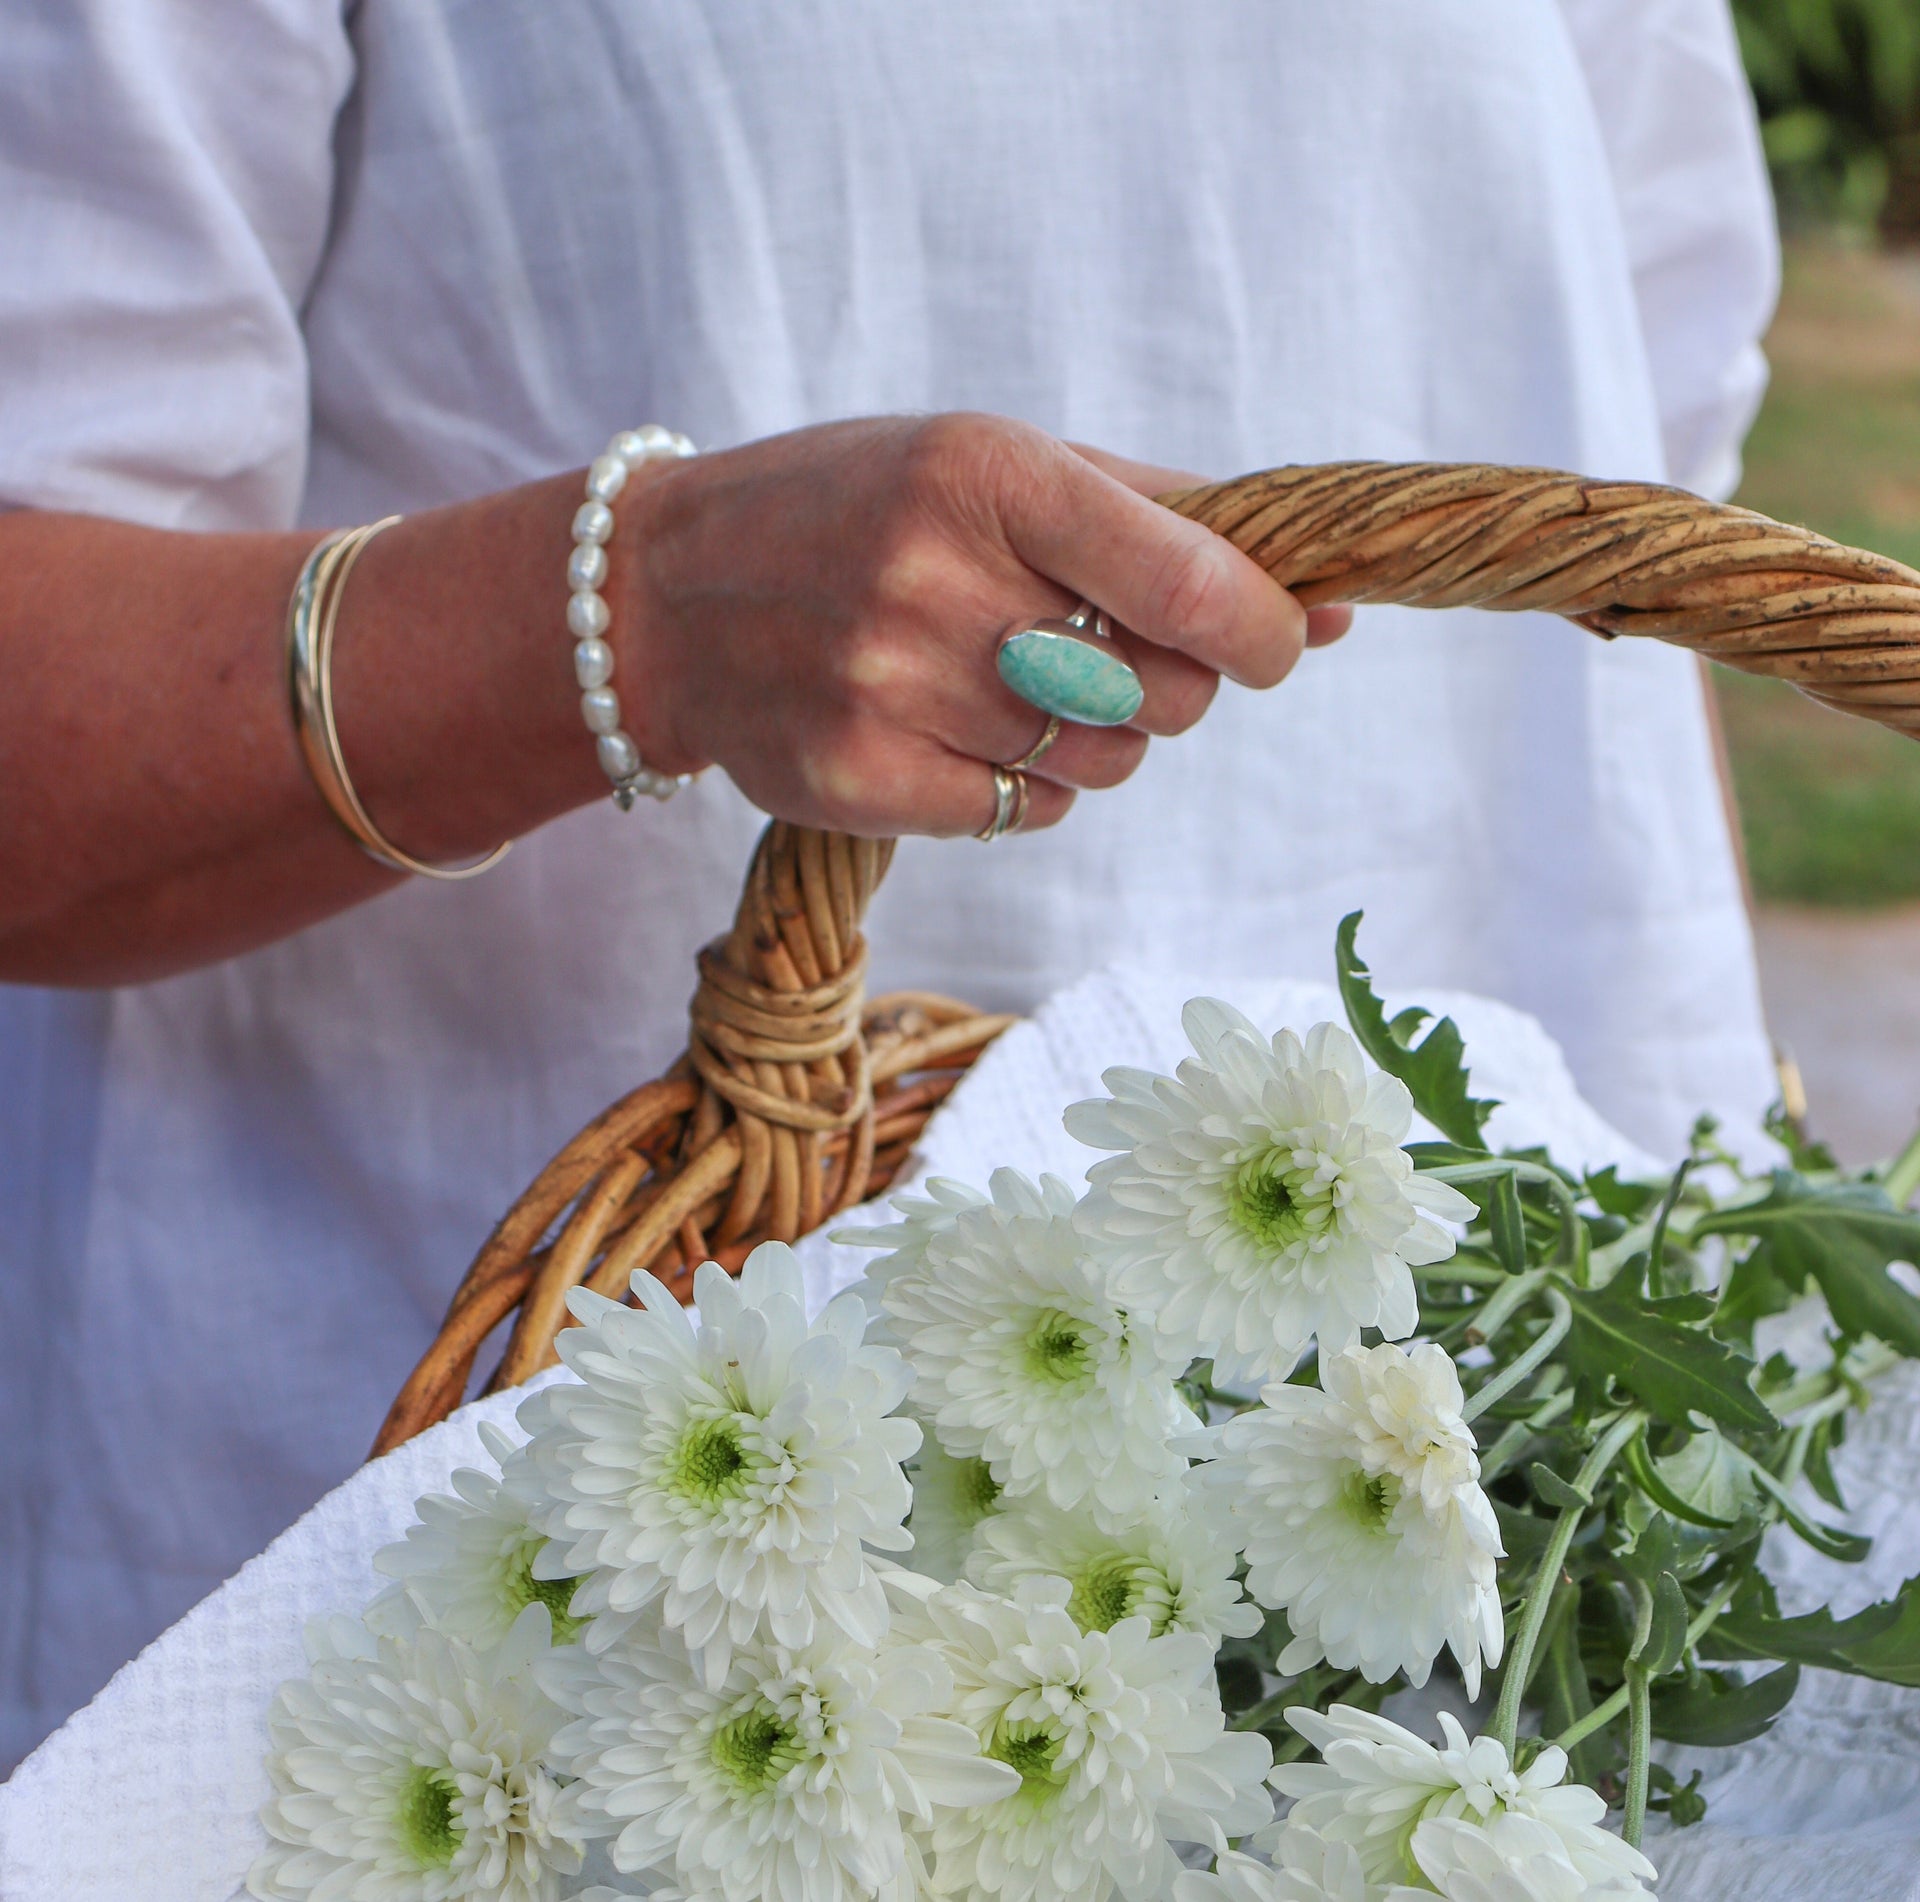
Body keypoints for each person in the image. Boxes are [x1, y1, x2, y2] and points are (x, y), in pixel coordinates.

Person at [0, 0, 1777, 1768]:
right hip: (532, 1549)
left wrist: (1728, 1173)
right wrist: (649, 609)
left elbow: (1637, 488)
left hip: (1512, 1500)